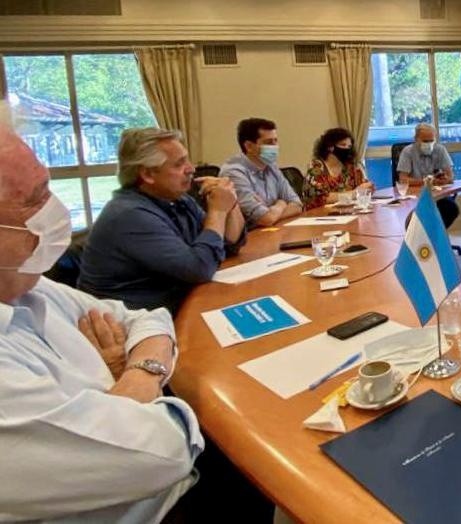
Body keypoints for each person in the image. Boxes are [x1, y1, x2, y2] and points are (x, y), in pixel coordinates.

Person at [0, 115, 203, 522]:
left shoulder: (30, 287)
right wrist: (130, 378)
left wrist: (134, 374)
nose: (54, 208)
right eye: (35, 198)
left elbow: (147, 320)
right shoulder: (131, 214)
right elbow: (165, 451)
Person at [79, 128, 246, 314]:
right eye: (179, 164)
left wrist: (230, 200)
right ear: (148, 175)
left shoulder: (177, 199)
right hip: (130, 325)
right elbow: (200, 268)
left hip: (174, 307)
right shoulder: (129, 215)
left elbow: (226, 245)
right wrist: (217, 211)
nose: (191, 169)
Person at [220, 118, 303, 228]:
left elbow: (297, 205)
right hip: (249, 239)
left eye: (275, 141)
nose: (274, 147)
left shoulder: (271, 167)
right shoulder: (234, 173)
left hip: (272, 231)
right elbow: (265, 219)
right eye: (268, 142)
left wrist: (272, 212)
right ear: (249, 146)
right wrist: (281, 203)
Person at [397, 123, 460, 228]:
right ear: (416, 139)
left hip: (437, 195)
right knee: (415, 213)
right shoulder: (407, 152)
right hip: (414, 196)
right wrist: (427, 181)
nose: (429, 144)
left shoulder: (440, 150)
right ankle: (419, 238)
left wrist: (445, 179)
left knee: (451, 208)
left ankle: (436, 237)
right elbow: (403, 179)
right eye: (425, 141)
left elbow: (451, 177)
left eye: (431, 141)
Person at [302, 128, 373, 209]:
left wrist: (367, 188)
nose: (347, 149)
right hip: (320, 216)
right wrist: (353, 193)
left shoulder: (351, 167)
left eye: (349, 146)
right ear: (330, 147)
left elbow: (364, 188)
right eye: (343, 145)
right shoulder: (316, 167)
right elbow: (319, 198)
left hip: (347, 213)